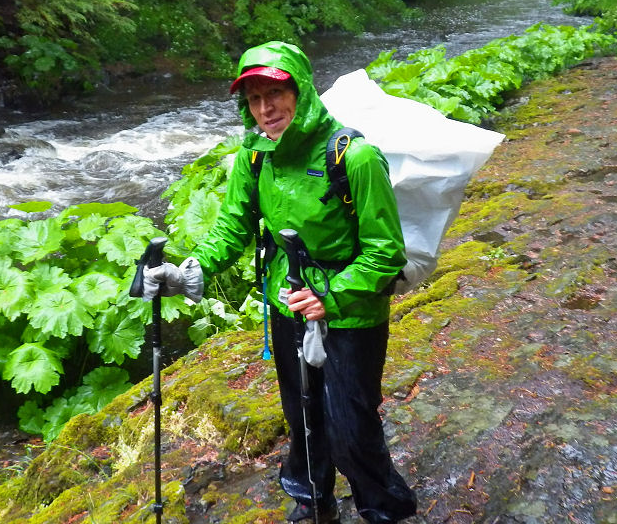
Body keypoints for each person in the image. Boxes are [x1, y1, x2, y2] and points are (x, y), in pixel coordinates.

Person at [143, 41, 417, 524]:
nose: (265, 109)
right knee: (302, 414)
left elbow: (385, 252)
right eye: (253, 99)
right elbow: (233, 225)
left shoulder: (355, 157)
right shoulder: (254, 156)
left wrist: (330, 295)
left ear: (301, 90)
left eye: (275, 92)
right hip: (286, 304)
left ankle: (384, 508)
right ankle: (313, 498)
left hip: (351, 313)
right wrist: (190, 272)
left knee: (351, 426)